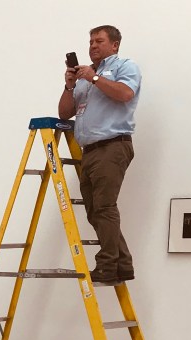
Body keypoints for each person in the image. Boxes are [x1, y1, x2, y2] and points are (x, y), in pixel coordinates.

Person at [58, 25, 141, 283]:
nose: (93, 45)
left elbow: (125, 94)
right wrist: (70, 85)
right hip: (90, 151)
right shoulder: (84, 77)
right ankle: (123, 265)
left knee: (104, 207)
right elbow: (65, 113)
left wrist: (94, 78)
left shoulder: (125, 66)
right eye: (91, 41)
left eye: (99, 41)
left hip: (112, 146)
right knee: (95, 210)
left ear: (114, 45)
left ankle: (107, 266)